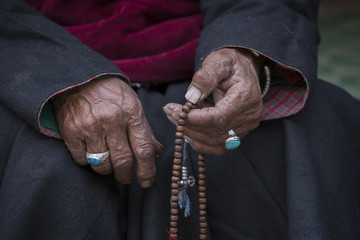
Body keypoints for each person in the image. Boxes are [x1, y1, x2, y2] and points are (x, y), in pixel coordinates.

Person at [0, 0, 359, 239]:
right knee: (43, 167)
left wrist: (246, 48)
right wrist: (66, 79)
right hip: (34, 59)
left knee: (309, 132)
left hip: (208, 55)